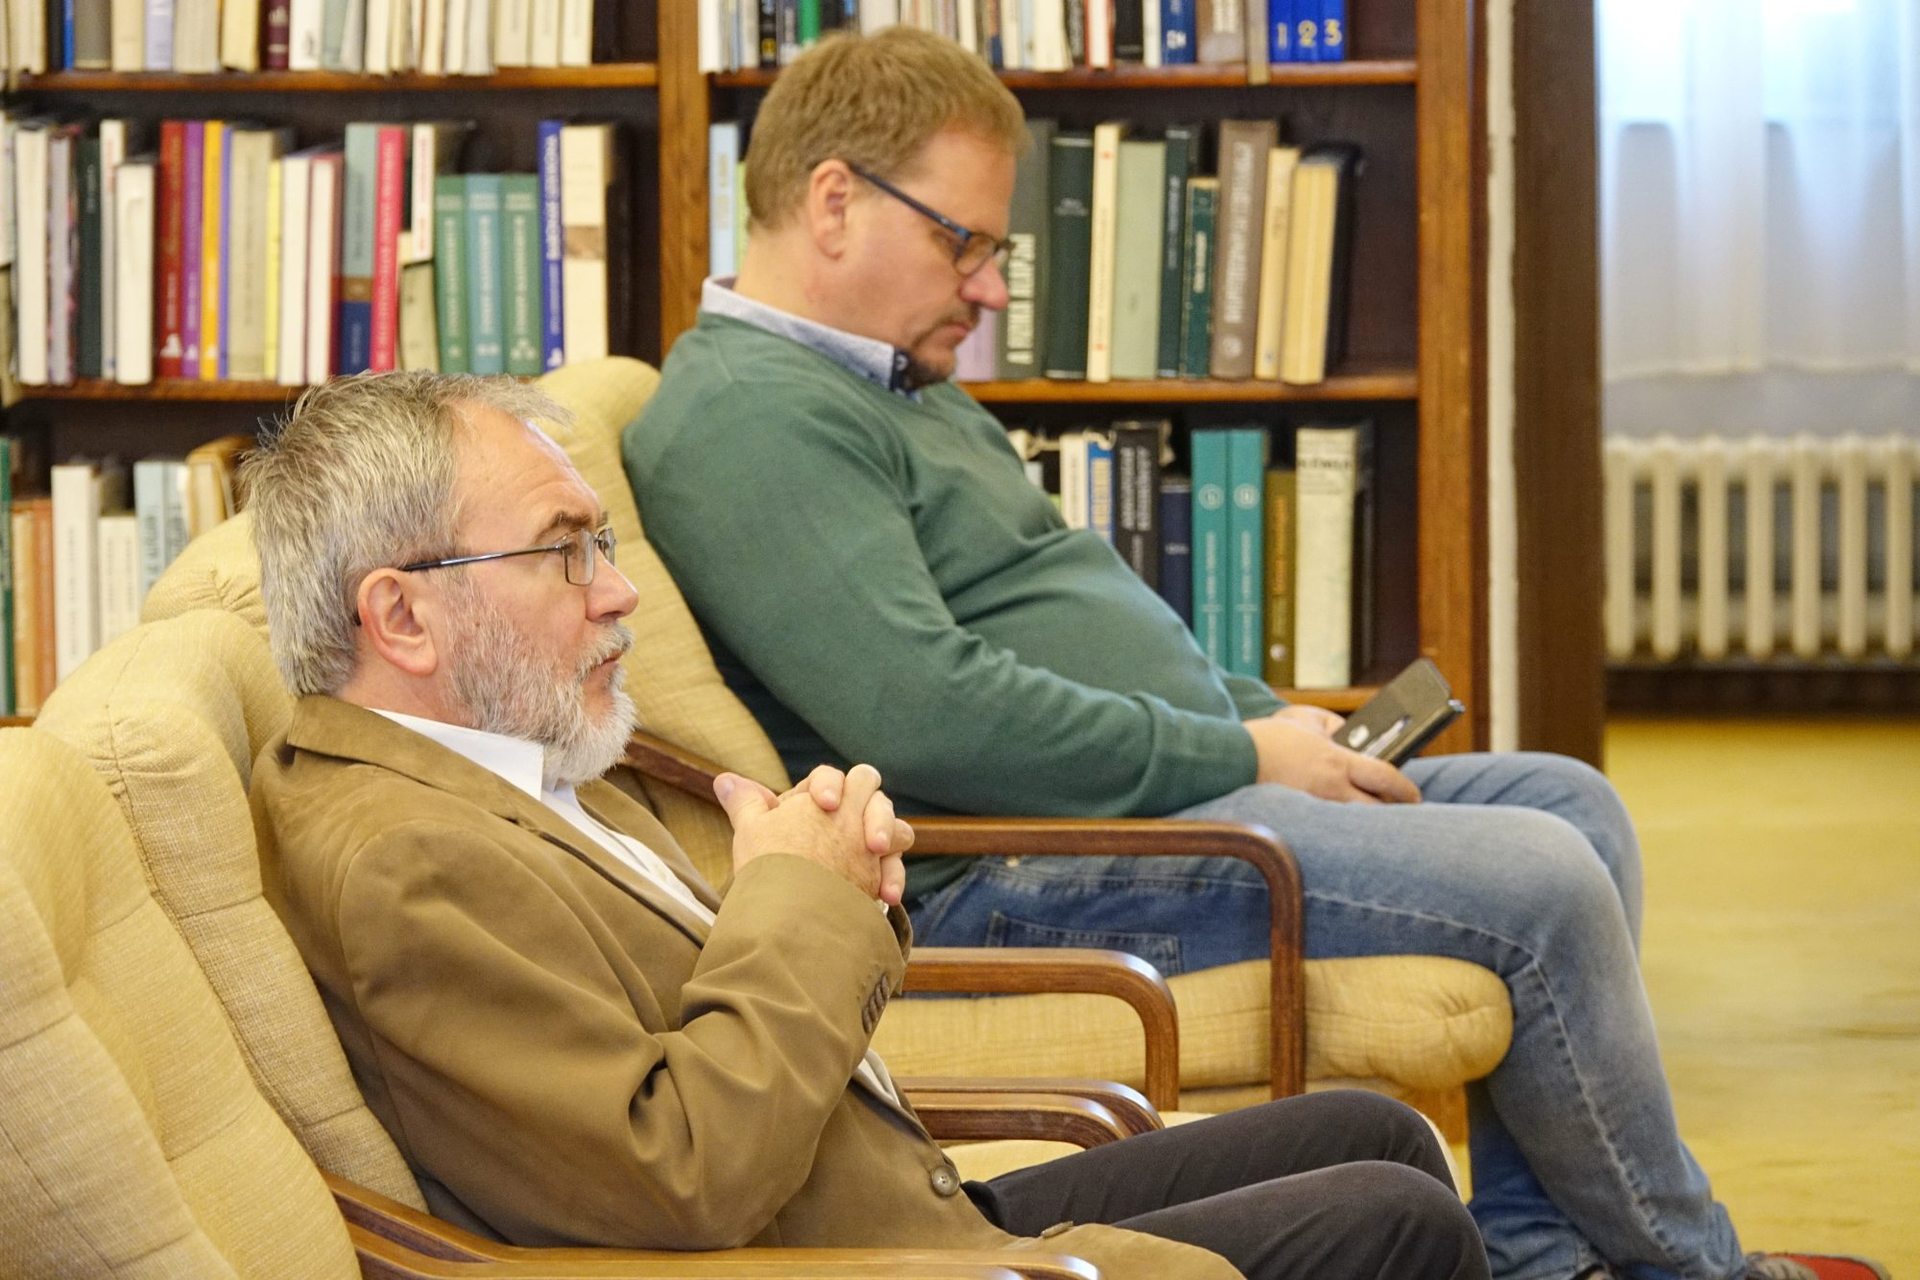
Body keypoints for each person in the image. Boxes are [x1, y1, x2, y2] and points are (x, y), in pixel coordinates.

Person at [621, 26, 1886, 1280]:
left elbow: (1061, 619)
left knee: (1570, 802)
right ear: (834, 201)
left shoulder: (887, 382)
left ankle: (1541, 1260)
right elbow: (924, 711)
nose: (993, 289)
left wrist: (1269, 720)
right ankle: (1698, 1269)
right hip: (1018, 860)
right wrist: (1239, 751)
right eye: (967, 242)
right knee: (1545, 880)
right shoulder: (750, 419)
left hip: (1139, 797)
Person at [243, 370, 1487, 1280]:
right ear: (401, 616)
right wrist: (795, 896)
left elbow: (729, 1025)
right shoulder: (403, 861)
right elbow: (682, 1170)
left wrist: (845, 895)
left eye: (601, 543)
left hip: (879, 1204)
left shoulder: (510, 754)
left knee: (1375, 1130)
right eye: (563, 551)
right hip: (842, 1257)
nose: (617, 591)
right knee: (1394, 1223)